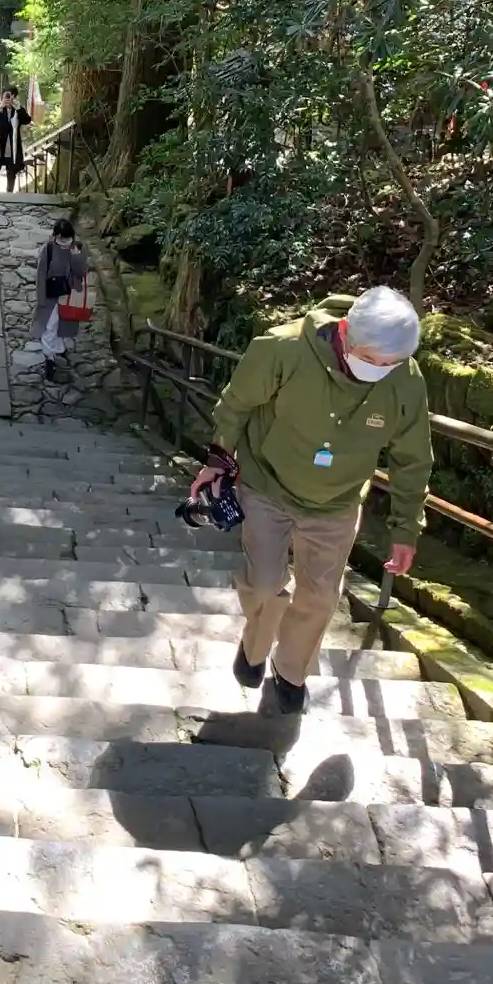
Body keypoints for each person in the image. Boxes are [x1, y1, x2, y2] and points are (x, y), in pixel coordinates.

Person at [190, 285, 432, 714]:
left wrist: (406, 528)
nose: (380, 369)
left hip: (337, 501)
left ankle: (291, 671)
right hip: (267, 483)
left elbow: (412, 459)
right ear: (346, 332)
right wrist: (218, 459)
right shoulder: (283, 349)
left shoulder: (405, 380)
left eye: (390, 363)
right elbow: (236, 404)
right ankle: (254, 646)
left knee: (319, 597)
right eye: (372, 359)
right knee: (264, 584)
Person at [33, 218, 89, 376]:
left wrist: (76, 256)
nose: (64, 242)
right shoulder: (48, 249)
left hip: (69, 294)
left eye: (67, 238)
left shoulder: (79, 247)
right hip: (51, 295)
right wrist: (41, 298)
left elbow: (81, 272)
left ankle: (59, 348)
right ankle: (49, 357)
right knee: (49, 325)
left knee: (62, 325)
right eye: (61, 238)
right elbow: (41, 274)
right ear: (55, 236)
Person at [0, 88, 30, 192]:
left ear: (15, 97)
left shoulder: (18, 108)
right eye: (6, 96)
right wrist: (0, 108)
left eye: (11, 96)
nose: (9, 99)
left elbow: (27, 120)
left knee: (11, 171)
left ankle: (9, 193)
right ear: (2, 96)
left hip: (13, 146)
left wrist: (19, 109)